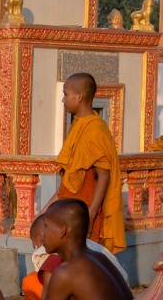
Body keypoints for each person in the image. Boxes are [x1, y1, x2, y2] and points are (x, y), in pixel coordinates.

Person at [41, 72, 125, 254]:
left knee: (87, 264)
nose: (63, 100)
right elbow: (71, 179)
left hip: (84, 214)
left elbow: (104, 176)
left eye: (65, 94)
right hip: (68, 210)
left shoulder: (96, 130)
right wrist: (46, 209)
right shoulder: (77, 126)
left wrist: (91, 214)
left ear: (79, 96)